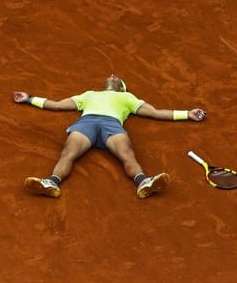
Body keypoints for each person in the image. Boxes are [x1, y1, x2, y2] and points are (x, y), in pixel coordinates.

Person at [12, 74, 206, 199]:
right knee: (67, 154)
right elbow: (57, 105)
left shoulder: (127, 98)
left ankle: (143, 182)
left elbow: (155, 112)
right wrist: (29, 98)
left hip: (111, 124)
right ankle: (52, 182)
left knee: (127, 155)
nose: (112, 75)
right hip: (86, 123)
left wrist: (187, 113)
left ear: (122, 88)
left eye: (117, 78)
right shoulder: (89, 95)